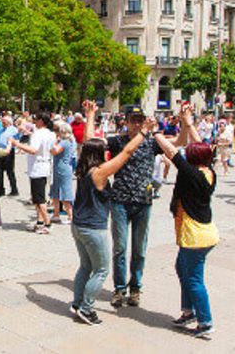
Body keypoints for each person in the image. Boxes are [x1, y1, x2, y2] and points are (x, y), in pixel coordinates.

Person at [91, 104, 189, 310]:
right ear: (125, 122)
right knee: (120, 248)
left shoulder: (152, 143)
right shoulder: (117, 141)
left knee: (139, 249)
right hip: (120, 201)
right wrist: (90, 115)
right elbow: (91, 142)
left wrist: (184, 122)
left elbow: (180, 142)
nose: (137, 124)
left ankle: (135, 287)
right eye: (133, 120)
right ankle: (119, 288)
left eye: (140, 120)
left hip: (143, 201)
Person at [69, 102, 156, 326]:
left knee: (85, 266)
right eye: (104, 151)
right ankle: (87, 308)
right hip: (92, 228)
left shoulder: (84, 167)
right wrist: (144, 132)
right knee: (101, 270)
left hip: (78, 225)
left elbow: (89, 143)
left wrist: (90, 115)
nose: (108, 152)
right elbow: (127, 152)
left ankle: (77, 302)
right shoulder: (100, 173)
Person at [152, 106, 218, 340]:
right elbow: (200, 145)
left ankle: (205, 321)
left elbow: (172, 152)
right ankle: (188, 312)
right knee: (182, 269)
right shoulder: (207, 169)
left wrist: (154, 132)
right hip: (201, 232)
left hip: (195, 235)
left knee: (193, 278)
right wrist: (187, 121)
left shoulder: (192, 173)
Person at [11, 113, 57, 234]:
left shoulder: (39, 134)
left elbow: (33, 150)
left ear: (41, 121)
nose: (34, 121)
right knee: (38, 196)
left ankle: (48, 223)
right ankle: (40, 222)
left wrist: (17, 144)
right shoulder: (49, 133)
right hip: (44, 165)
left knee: (39, 198)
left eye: (36, 120)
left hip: (37, 167)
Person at [51, 122, 76, 225]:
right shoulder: (71, 141)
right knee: (56, 191)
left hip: (62, 168)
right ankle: (56, 214)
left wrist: (53, 143)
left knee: (65, 192)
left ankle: (71, 216)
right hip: (61, 168)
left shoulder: (65, 142)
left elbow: (55, 151)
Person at [0, 115, 19, 197]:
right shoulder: (1, 129)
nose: (2, 123)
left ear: (9, 122)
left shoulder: (14, 130)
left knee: (10, 171)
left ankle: (14, 190)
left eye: (4, 121)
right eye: (2, 121)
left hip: (9, 151)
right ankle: (1, 190)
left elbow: (18, 137)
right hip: (0, 151)